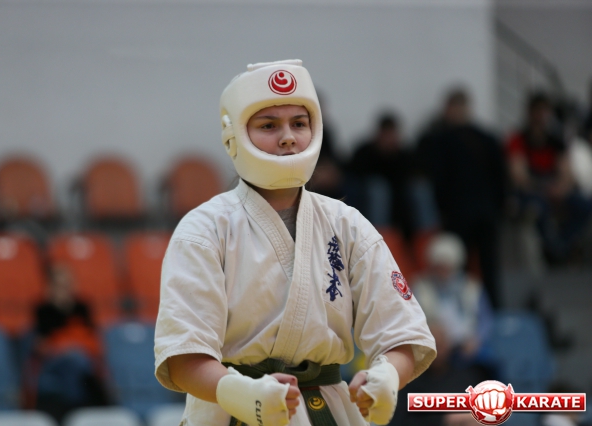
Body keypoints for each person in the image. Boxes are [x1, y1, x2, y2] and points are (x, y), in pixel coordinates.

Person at [154, 60, 436, 426]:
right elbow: (183, 356)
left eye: (299, 124)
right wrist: (240, 392)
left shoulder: (348, 225)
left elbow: (401, 335)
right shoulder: (204, 229)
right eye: (268, 125)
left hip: (329, 410)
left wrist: (387, 376)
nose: (288, 137)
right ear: (233, 134)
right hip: (231, 410)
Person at [416, 88, 506, 309]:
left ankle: (488, 310)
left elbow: (499, 176)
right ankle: (472, 310)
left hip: (470, 212)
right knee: (459, 266)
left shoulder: (447, 141)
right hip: (468, 212)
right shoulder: (477, 138)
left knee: (484, 265)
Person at [507, 92, 592, 262]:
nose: (541, 117)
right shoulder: (519, 139)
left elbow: (566, 171)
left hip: (553, 188)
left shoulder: (555, 140)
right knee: (539, 208)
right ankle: (553, 249)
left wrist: (561, 187)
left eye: (544, 112)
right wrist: (545, 188)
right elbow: (519, 176)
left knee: (584, 205)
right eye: (537, 111)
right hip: (533, 191)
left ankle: (561, 246)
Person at [26, 265, 108, 420]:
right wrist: (65, 347)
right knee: (75, 361)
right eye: (60, 285)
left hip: (82, 357)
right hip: (54, 361)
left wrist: (75, 346)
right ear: (51, 286)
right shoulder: (43, 310)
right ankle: (78, 409)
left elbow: (93, 338)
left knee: (78, 362)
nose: (65, 289)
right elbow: (40, 346)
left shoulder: (82, 307)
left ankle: (77, 412)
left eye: (68, 284)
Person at [413, 233, 494, 369]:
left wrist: (476, 340)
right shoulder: (420, 287)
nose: (442, 272)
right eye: (438, 267)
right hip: (436, 345)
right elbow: (413, 320)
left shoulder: (473, 287)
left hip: (467, 345)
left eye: (447, 267)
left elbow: (486, 320)